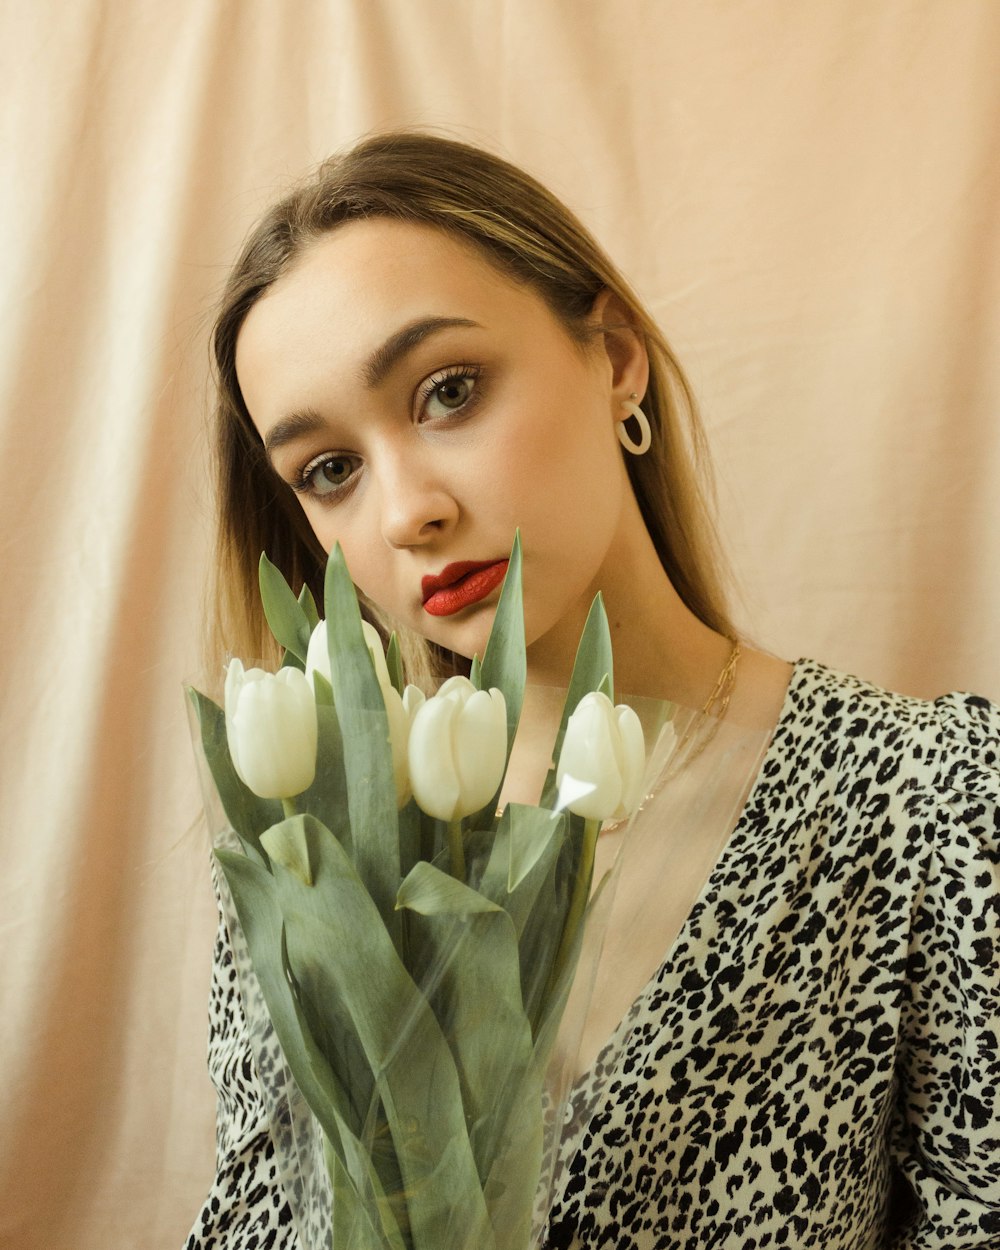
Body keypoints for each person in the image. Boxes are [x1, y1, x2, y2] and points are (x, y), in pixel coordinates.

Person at [187, 132, 1000, 1249]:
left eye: (447, 391)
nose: (403, 510)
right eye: (330, 469)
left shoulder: (930, 804)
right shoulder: (310, 850)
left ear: (615, 355)